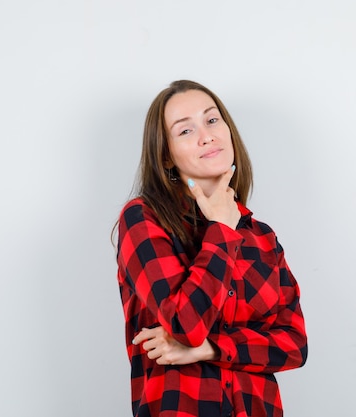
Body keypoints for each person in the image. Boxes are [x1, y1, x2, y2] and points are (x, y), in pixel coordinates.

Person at [115, 80, 307, 417]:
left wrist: (210, 349)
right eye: (185, 131)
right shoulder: (144, 218)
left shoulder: (262, 238)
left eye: (212, 120)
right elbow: (185, 325)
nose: (206, 136)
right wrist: (220, 227)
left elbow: (293, 345)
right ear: (167, 156)